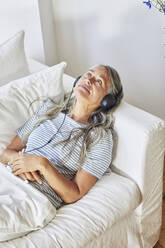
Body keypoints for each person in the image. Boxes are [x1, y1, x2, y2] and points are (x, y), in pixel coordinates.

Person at [0, 64, 123, 210]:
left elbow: (74, 194)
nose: (89, 80)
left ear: (107, 100)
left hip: (32, 197)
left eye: (99, 81)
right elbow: (6, 153)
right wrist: (24, 164)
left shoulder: (100, 138)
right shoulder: (49, 109)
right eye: (89, 74)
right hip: (7, 176)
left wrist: (42, 165)